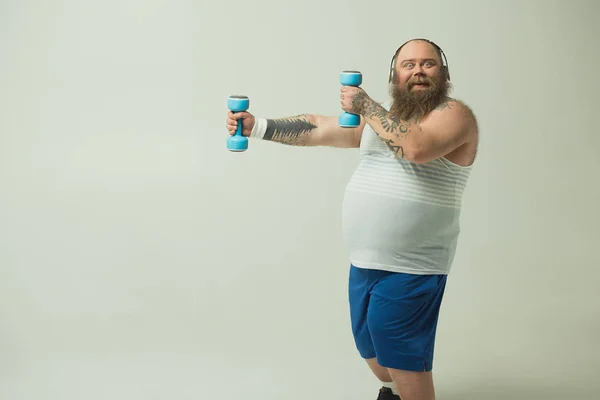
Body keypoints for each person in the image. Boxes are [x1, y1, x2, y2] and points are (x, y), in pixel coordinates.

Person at [225, 38, 478, 400]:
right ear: (395, 75)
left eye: (428, 63)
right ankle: (392, 394)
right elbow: (318, 128)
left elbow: (417, 148)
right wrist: (257, 126)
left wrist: (367, 106)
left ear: (444, 73)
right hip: (365, 260)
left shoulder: (454, 114)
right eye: (408, 64)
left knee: (404, 358)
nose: (418, 70)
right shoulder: (384, 120)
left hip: (414, 266)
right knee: (372, 350)